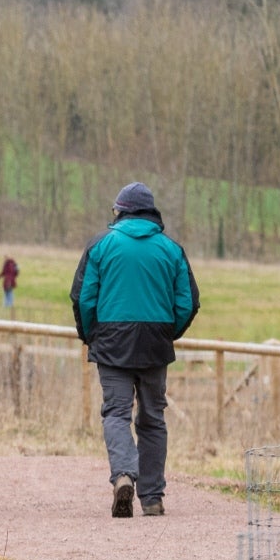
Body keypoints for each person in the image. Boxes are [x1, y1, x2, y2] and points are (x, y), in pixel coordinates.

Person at [71, 181, 199, 518]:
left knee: (116, 412)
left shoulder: (100, 245)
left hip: (112, 339)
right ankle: (153, 497)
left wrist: (91, 336)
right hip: (156, 341)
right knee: (153, 418)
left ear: (121, 211)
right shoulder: (172, 249)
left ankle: (124, 475)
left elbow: (83, 297)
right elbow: (187, 302)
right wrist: (168, 333)